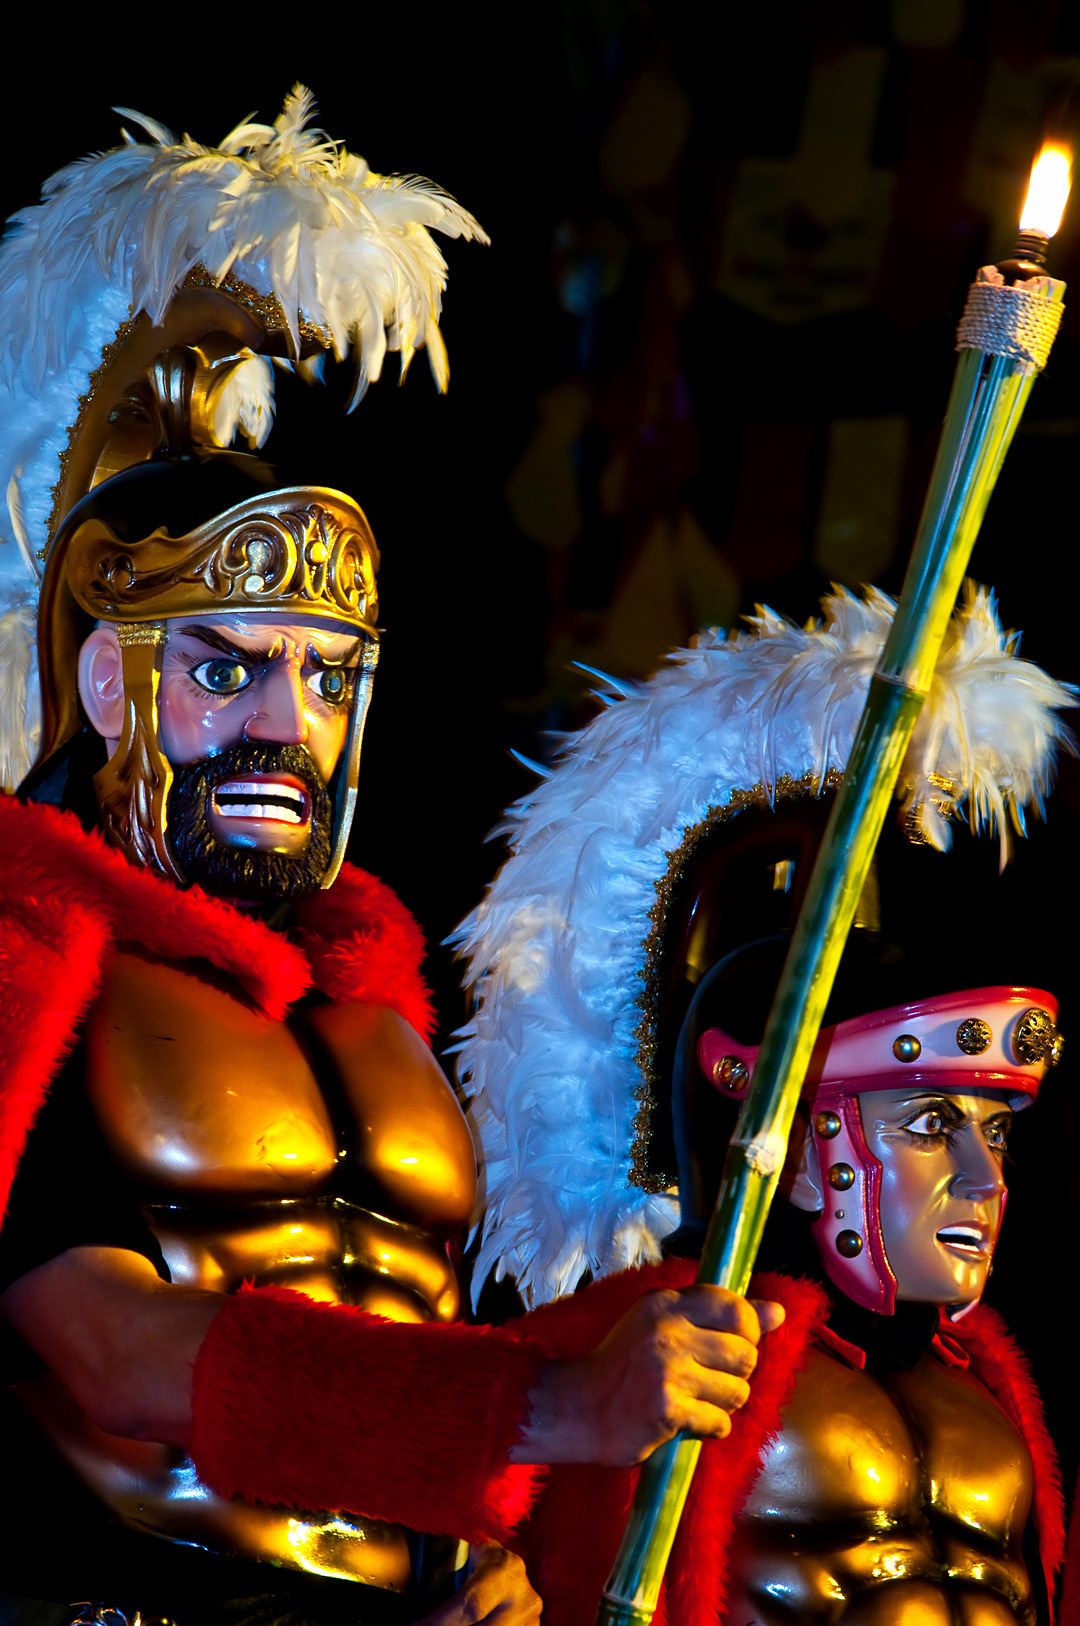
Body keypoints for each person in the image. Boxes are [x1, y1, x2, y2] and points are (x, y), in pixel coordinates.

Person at [0, 96, 774, 1626]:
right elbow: (112, 1350)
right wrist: (545, 1411)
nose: (288, 724)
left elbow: (413, 1328)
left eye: (329, 675)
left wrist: (493, 1545)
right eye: (228, 669)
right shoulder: (28, 956)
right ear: (109, 687)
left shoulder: (380, 1007)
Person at [452, 586, 1072, 1623]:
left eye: (997, 1132)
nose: (984, 1178)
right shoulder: (620, 1360)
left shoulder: (991, 1391)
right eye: (929, 1126)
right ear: (786, 1136)